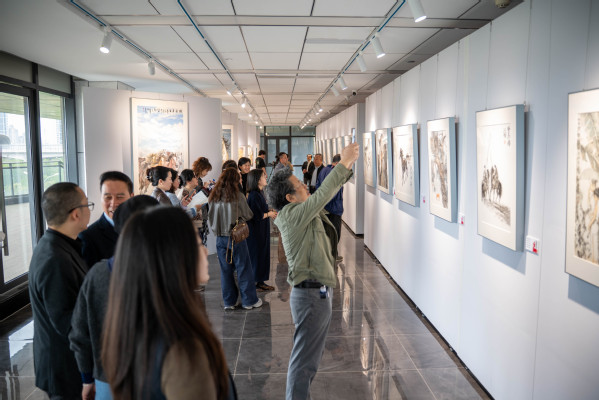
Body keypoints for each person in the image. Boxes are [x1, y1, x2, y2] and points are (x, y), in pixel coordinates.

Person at [101, 207, 233, 399]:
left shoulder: (132, 327)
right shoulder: (182, 349)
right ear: (173, 258)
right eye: (198, 244)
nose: (205, 251)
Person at [266, 143, 359, 400]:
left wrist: (348, 164)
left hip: (316, 293)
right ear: (289, 198)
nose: (306, 187)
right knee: (304, 362)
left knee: (309, 362)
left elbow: (323, 195)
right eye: (300, 186)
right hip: (310, 296)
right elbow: (322, 195)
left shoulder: (299, 213)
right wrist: (344, 163)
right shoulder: (292, 215)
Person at [69, 195, 159, 400]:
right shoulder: (168, 273)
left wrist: (87, 378)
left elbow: (80, 334)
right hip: (159, 379)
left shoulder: (97, 274)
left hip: (108, 381)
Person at [29, 182, 92, 399]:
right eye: (87, 205)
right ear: (76, 214)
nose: (89, 209)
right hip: (65, 370)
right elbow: (69, 324)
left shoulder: (60, 245)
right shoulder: (55, 259)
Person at [208, 168, 262, 310]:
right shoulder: (238, 196)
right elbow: (249, 214)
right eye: (239, 177)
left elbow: (210, 217)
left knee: (225, 271)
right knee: (243, 268)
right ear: (234, 180)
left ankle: (229, 302)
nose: (241, 179)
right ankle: (249, 301)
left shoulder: (214, 196)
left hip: (220, 238)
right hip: (236, 236)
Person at [78, 171, 133, 269]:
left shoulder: (141, 228)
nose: (113, 203)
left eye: (120, 197)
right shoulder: (87, 238)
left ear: (131, 197)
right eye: (108, 197)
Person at [246, 169, 277, 291]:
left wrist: (269, 211)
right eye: (263, 176)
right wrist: (269, 214)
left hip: (261, 229)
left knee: (262, 255)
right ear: (257, 180)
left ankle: (260, 281)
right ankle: (255, 282)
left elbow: (261, 209)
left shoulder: (259, 193)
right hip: (256, 231)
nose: (266, 177)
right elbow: (256, 215)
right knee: (257, 256)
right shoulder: (254, 195)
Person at [316, 154, 344, 262]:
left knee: (329, 232)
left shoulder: (324, 170)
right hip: (333, 208)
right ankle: (332, 256)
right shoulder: (333, 173)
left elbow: (319, 187)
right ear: (338, 163)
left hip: (326, 207)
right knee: (335, 233)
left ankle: (332, 255)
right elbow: (332, 192)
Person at [192, 157, 213, 246]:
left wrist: (207, 188)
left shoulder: (199, 180)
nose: (206, 173)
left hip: (200, 212)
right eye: (206, 170)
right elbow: (197, 198)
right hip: (197, 214)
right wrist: (205, 188)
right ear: (201, 168)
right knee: (199, 242)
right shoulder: (195, 180)